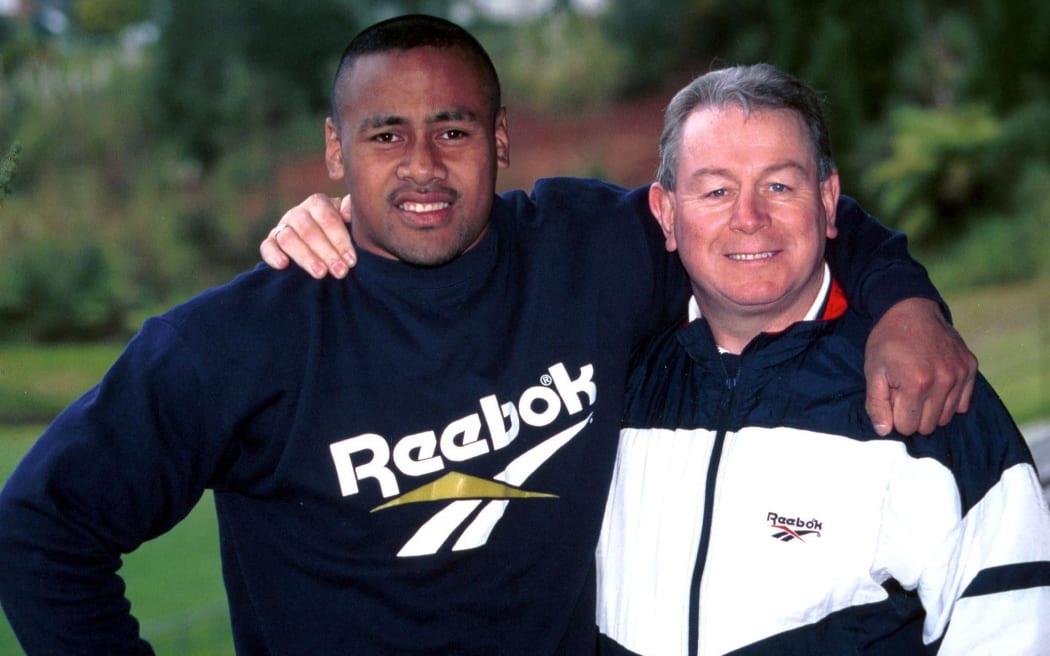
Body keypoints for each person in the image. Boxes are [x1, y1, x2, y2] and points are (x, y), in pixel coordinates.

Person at [0, 15, 974, 656]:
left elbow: (767, 217)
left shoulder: (594, 248)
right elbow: (40, 525)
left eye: (454, 129)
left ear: (501, 141)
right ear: (337, 148)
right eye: (385, 134)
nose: (422, 164)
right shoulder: (244, 337)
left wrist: (904, 304)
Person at [594, 63, 1050, 656]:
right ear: (666, 214)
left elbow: (1017, 628)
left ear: (829, 201)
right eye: (716, 190)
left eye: (780, 186)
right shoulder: (611, 389)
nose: (749, 217)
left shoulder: (925, 392)